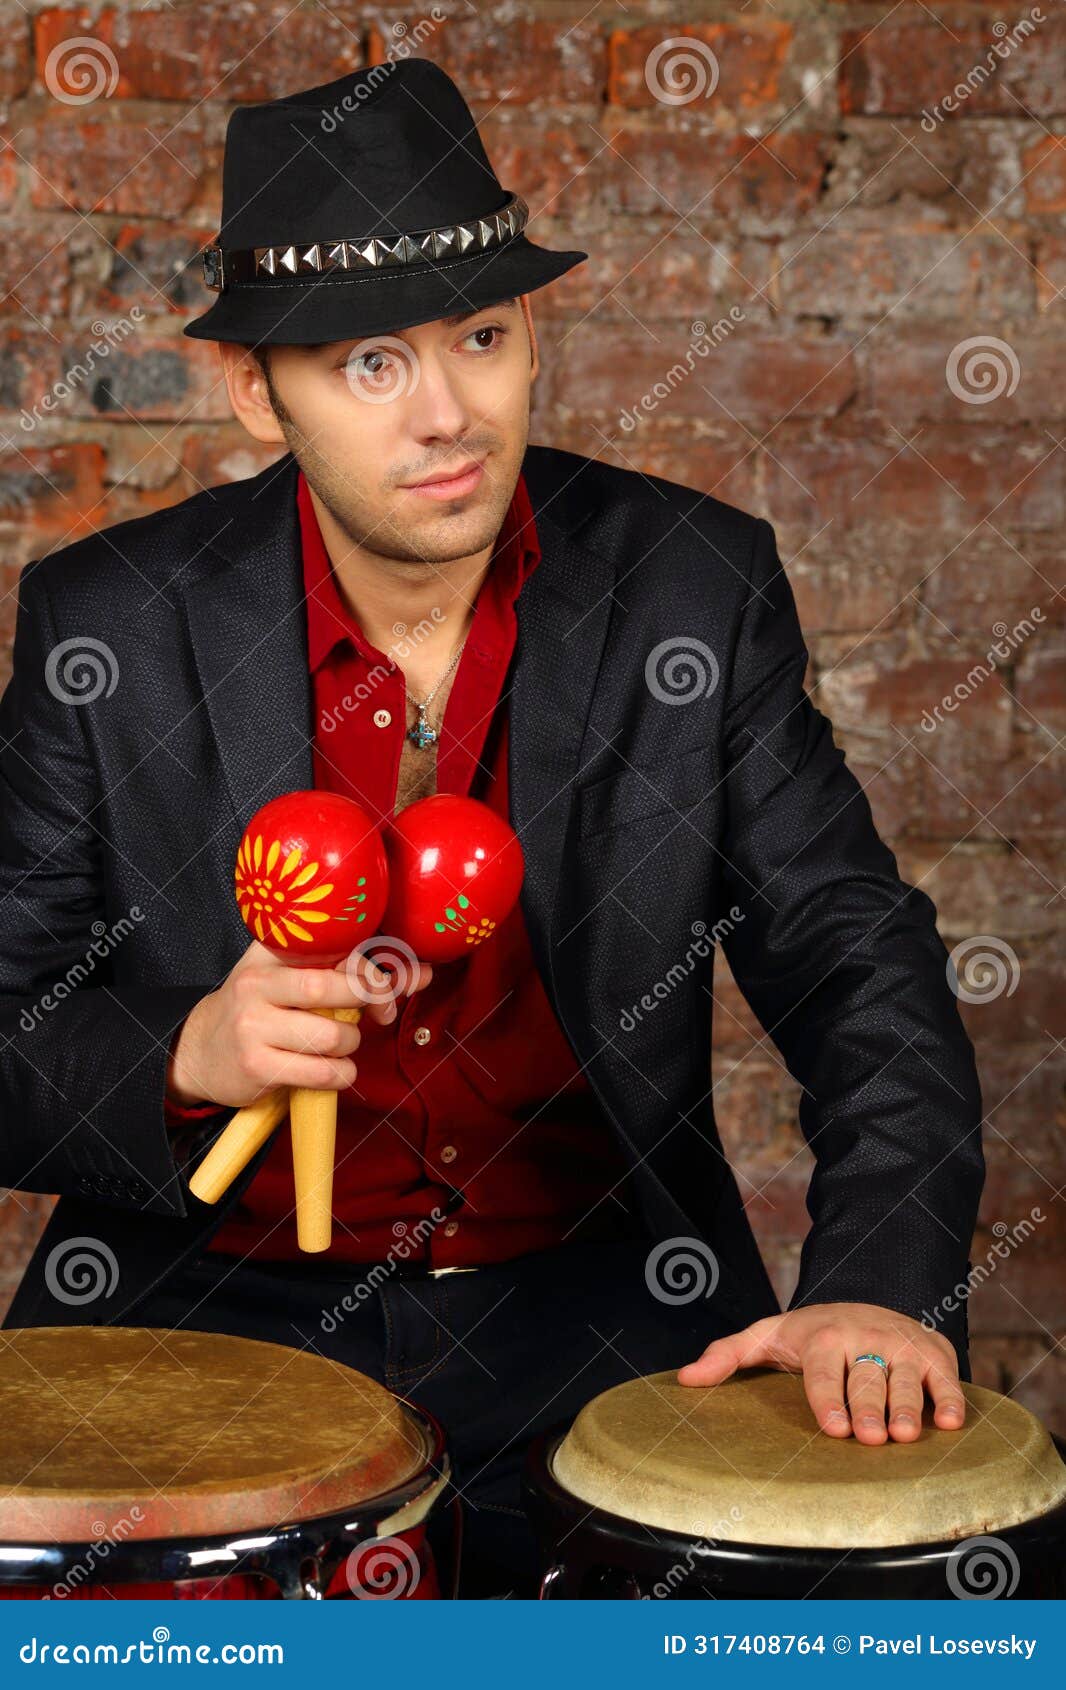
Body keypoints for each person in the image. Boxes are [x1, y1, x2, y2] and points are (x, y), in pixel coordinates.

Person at [0, 60, 983, 1597]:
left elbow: (858, 963)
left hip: (601, 1297)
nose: (449, 413)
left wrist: (877, 1285)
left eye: (480, 337)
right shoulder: (106, 625)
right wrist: (187, 1050)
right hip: (201, 1297)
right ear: (257, 387)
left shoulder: (688, 589)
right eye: (368, 363)